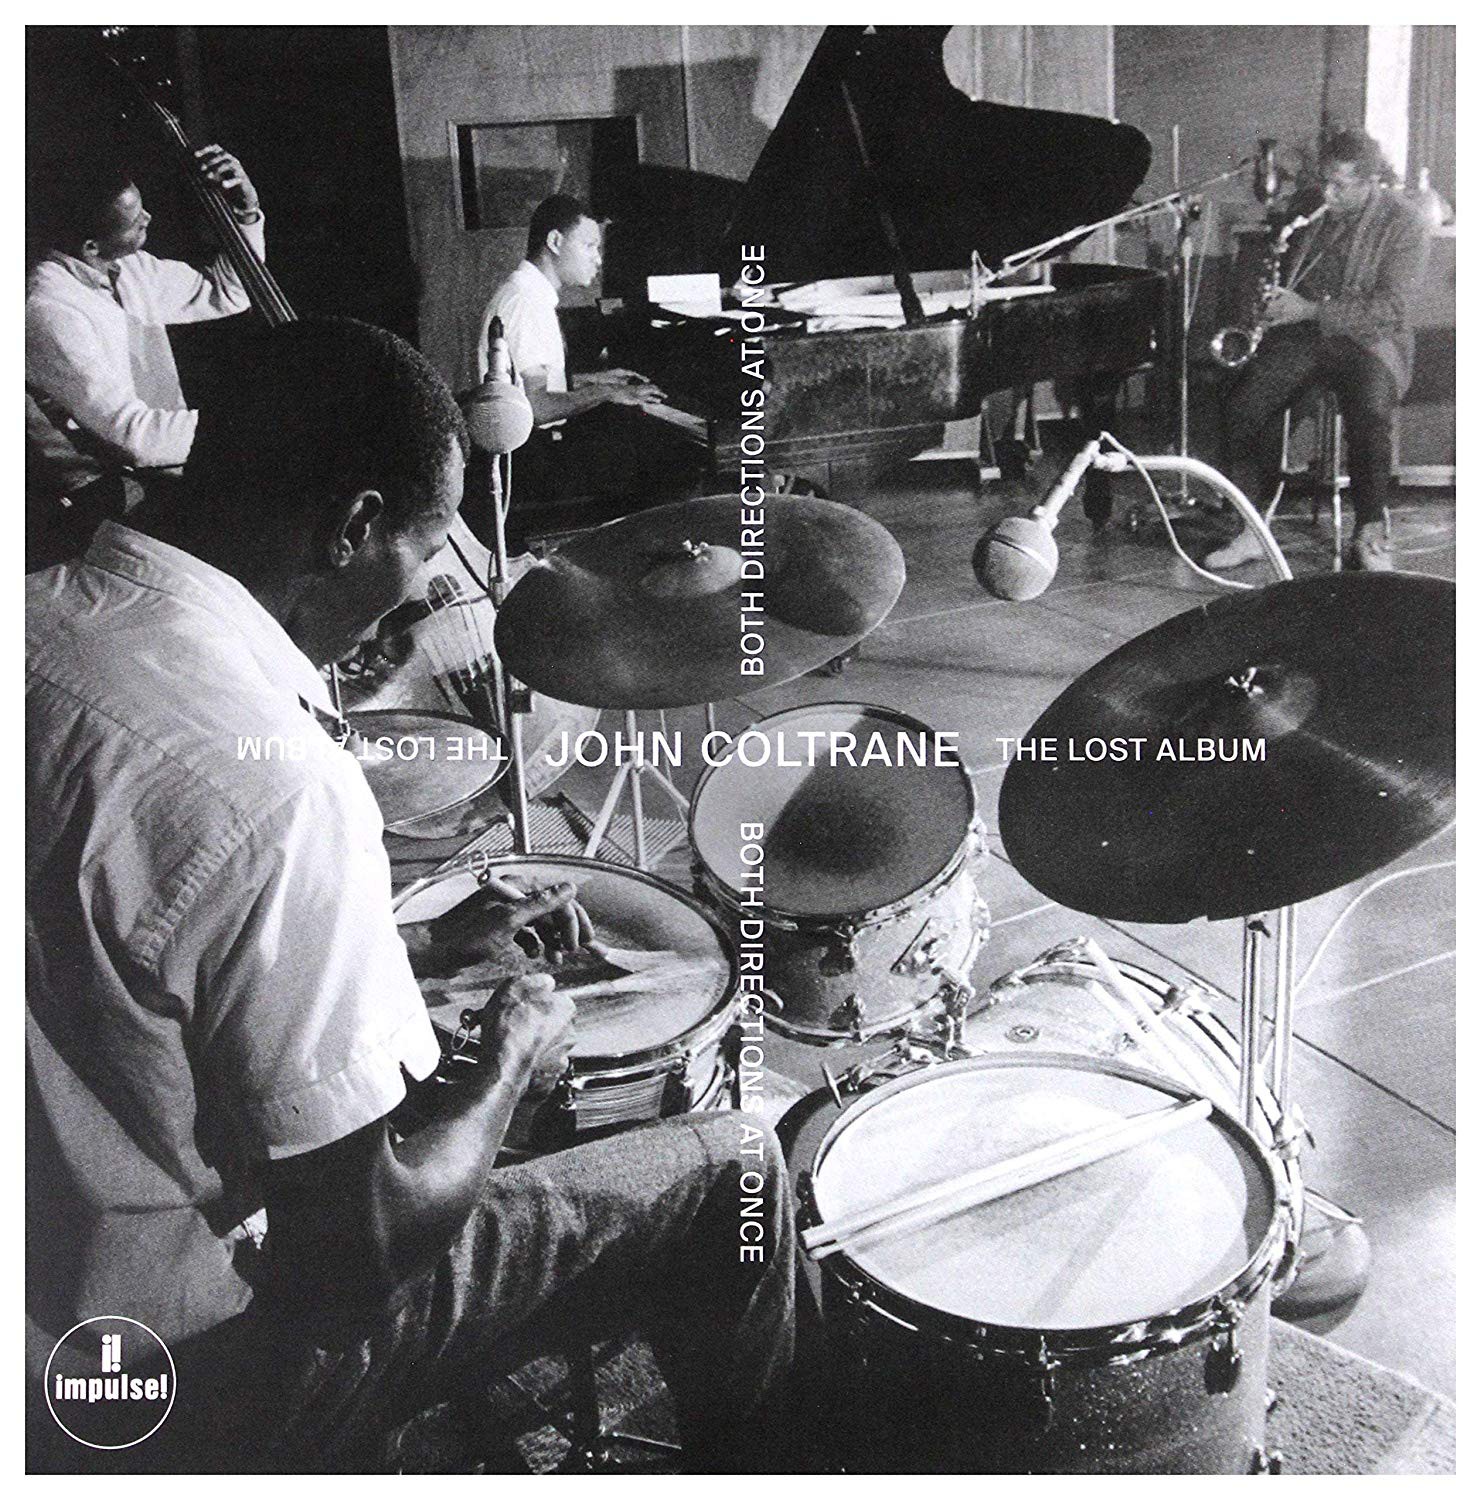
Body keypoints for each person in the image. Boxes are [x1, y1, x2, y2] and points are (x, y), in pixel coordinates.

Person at [26, 318, 795, 1473]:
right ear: (352, 526)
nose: (407, 608)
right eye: (418, 561)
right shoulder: (280, 793)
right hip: (197, 1383)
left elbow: (113, 961)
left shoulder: (33, 616)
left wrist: (425, 954)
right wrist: (509, 1058)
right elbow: (354, 1262)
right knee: (734, 1165)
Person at [1206, 131, 1430, 573]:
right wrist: (1275, 302)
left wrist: (1309, 309)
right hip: (1304, 336)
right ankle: (1252, 528)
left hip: (1371, 342)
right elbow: (1288, 267)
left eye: (1339, 186)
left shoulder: (1405, 222)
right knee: (1244, 406)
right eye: (1324, 181)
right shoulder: (1309, 206)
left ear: (1371, 181)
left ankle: (1369, 533)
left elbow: (1392, 308)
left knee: (1370, 414)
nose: (1326, 194)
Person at [25, 147, 265, 522]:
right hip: (111, 499)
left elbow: (226, 292)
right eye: (135, 220)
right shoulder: (48, 309)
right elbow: (132, 437)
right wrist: (249, 424)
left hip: (164, 470)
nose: (148, 218)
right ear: (91, 247)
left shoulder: (124, 266)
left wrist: (245, 214)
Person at [474, 194, 708, 538]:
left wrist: (593, 380)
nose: (598, 259)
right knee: (675, 468)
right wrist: (607, 392)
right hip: (531, 465)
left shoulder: (523, 291)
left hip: (531, 455)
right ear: (555, 241)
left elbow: (524, 382)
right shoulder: (526, 302)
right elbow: (536, 407)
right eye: (588, 246)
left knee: (641, 448)